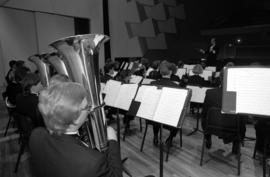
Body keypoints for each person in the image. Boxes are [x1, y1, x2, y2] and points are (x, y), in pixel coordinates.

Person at [29, 82, 122, 177]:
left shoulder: (36, 134)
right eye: (87, 107)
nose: (90, 110)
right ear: (75, 118)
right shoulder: (92, 161)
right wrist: (113, 141)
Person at [201, 71, 246, 154]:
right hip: (232, 130)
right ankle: (236, 144)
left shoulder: (210, 93)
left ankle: (207, 137)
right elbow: (242, 119)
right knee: (241, 120)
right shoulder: (238, 95)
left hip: (212, 127)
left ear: (220, 79)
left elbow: (204, 113)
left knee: (204, 116)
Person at [150, 61, 180, 146]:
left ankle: (156, 136)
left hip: (153, 118)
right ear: (171, 72)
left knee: (157, 111)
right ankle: (170, 138)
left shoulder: (152, 84)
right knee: (179, 116)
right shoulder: (176, 86)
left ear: (160, 71)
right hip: (168, 119)